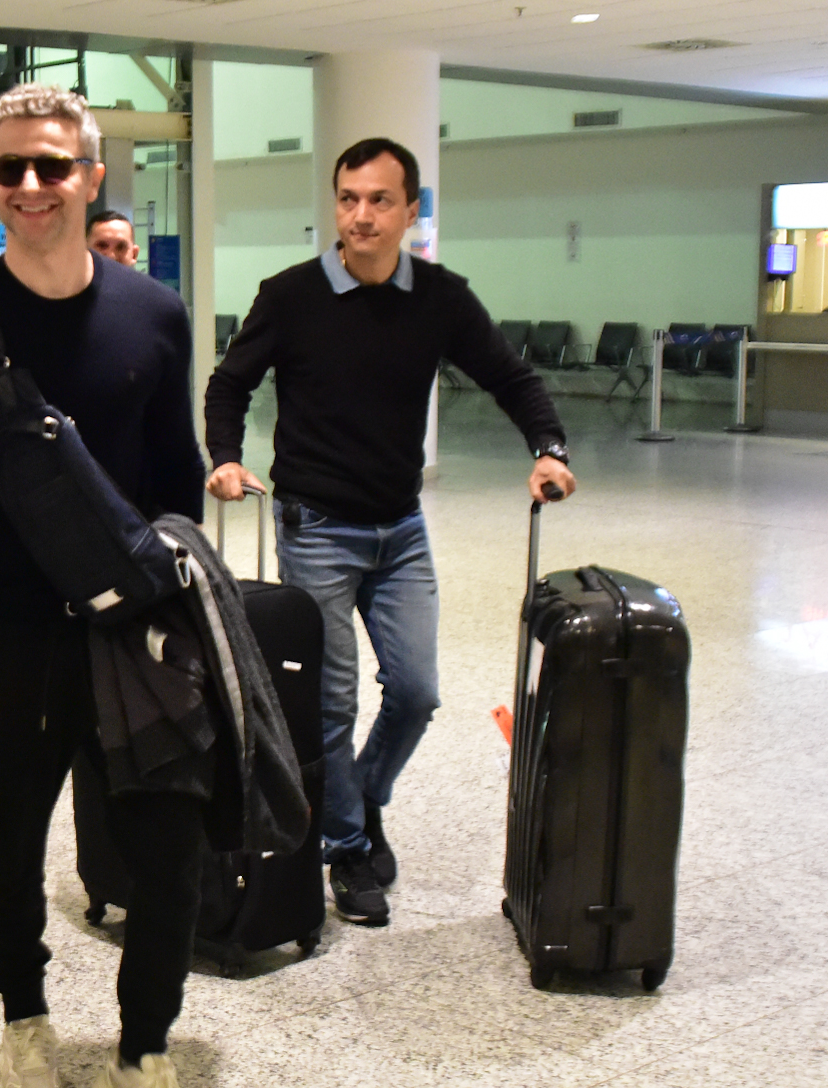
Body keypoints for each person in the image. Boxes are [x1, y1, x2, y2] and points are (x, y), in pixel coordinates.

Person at [0, 84, 216, 1088]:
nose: (30, 187)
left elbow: (177, 488)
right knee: (11, 844)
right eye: (10, 170)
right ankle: (22, 1022)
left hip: (133, 637)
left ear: (90, 176)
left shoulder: (153, 316)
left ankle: (143, 1055)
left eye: (51, 166)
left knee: (165, 853)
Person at [203, 137, 576, 927]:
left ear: (411, 210)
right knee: (331, 701)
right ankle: (344, 847)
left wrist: (547, 450)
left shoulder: (439, 297)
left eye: (378, 200)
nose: (360, 214)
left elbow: (512, 377)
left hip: (400, 529)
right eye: (347, 198)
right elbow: (229, 381)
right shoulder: (291, 294)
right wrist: (227, 459)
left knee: (415, 692)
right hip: (316, 527)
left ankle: (363, 795)